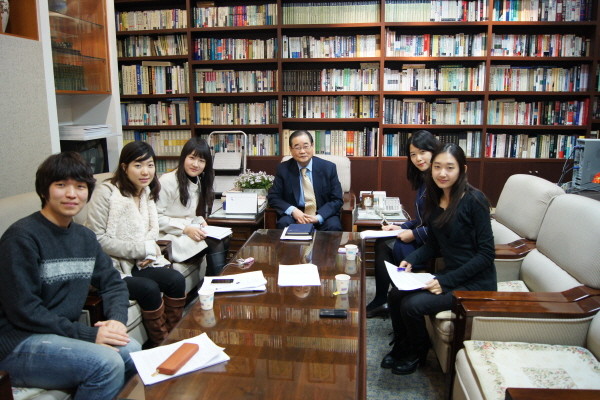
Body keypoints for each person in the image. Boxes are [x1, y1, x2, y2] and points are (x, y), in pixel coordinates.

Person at [0, 152, 140, 399]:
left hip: (59, 335)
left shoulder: (84, 237)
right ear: (44, 190)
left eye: (80, 186)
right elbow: (25, 310)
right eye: (61, 185)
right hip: (19, 343)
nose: (72, 194)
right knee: (106, 363)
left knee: (134, 351)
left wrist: (116, 320)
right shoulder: (21, 237)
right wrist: (89, 334)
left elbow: (113, 283)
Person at [382, 143, 496, 375]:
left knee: (412, 306)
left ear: (462, 170)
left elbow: (486, 254)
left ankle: (417, 352)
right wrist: (412, 258)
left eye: (450, 168)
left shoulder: (475, 201)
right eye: (437, 167)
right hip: (450, 273)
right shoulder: (435, 199)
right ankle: (402, 345)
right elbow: (434, 243)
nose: (442, 173)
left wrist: (445, 281)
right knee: (395, 294)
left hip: (474, 282)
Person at [85, 141, 186, 348]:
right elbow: (97, 239)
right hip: (111, 266)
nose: (145, 172)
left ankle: (173, 334)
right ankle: (162, 344)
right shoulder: (107, 193)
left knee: (175, 280)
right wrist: (142, 249)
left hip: (137, 262)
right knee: (148, 288)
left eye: (150, 165)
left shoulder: (146, 191)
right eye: (138, 165)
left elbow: (150, 232)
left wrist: (147, 252)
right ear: (124, 167)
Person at [366, 130, 439, 318]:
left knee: (388, 246)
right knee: (383, 243)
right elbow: (422, 219)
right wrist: (402, 227)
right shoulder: (425, 179)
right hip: (425, 238)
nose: (418, 158)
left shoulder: (440, 181)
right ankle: (383, 299)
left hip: (434, 245)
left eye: (423, 152)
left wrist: (414, 234)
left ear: (434, 151)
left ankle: (392, 297)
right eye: (413, 154)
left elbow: (441, 226)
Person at [155, 137, 230, 277]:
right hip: (169, 236)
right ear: (183, 157)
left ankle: (211, 281)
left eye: (201, 160)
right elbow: (156, 218)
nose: (196, 164)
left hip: (185, 231)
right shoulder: (166, 181)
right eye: (192, 158)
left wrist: (199, 220)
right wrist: (185, 229)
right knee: (215, 243)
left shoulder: (197, 180)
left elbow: (186, 214)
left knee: (224, 238)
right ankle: (216, 285)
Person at [268, 130, 344, 231]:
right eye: (297, 147)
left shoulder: (328, 168)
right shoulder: (283, 169)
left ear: (312, 146)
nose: (302, 151)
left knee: (334, 225)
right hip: (296, 215)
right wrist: (293, 211)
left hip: (322, 214)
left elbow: (337, 199)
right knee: (284, 223)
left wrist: (318, 217)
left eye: (306, 146)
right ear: (290, 149)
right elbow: (273, 197)